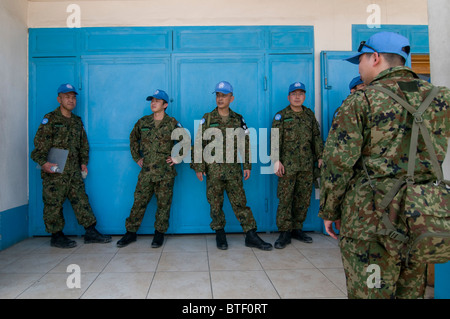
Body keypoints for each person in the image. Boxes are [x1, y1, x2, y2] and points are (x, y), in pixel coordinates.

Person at [319, 32, 450, 298]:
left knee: (372, 292)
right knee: (410, 292)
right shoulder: (440, 98)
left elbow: (337, 165)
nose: (360, 67)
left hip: (371, 222)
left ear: (375, 57)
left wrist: (329, 210)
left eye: (361, 60)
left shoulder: (361, 101)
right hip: (421, 217)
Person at [191, 81, 272, 251]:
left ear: (231, 98)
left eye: (224, 95)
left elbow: (245, 142)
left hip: (233, 170)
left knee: (240, 203)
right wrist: (199, 166)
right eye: (218, 95)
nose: (220, 98)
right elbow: (198, 143)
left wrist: (247, 165)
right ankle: (220, 233)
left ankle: (250, 235)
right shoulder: (207, 118)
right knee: (215, 203)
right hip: (213, 171)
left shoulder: (238, 119)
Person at [30, 83, 112, 248]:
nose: (71, 100)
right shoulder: (50, 119)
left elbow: (83, 144)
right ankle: (56, 235)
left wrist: (83, 162)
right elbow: (38, 149)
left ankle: (90, 232)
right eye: (67, 97)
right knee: (54, 203)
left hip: (73, 170)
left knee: (81, 200)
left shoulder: (76, 121)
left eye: (73, 97)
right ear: (59, 99)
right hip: (55, 170)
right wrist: (44, 164)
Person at [117, 89, 188, 248]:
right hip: (147, 172)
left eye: (157, 101)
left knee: (164, 204)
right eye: (152, 101)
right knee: (139, 202)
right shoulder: (143, 122)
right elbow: (133, 139)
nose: (153, 103)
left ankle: (159, 234)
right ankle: (130, 233)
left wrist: (176, 158)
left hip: (165, 173)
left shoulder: (172, 123)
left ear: (165, 105)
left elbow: (185, 141)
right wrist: (137, 157)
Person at [271, 82, 324, 249]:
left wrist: (320, 156)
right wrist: (276, 160)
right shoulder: (281, 116)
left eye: (301, 93)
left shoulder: (309, 115)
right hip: (287, 166)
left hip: (307, 165)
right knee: (285, 199)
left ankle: (297, 228)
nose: (297, 97)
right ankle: (285, 232)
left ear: (305, 96)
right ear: (289, 97)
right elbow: (274, 140)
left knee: (303, 199)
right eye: (294, 94)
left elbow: (316, 137)